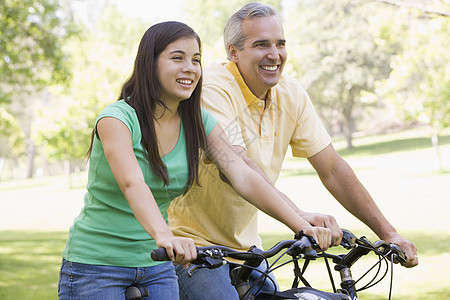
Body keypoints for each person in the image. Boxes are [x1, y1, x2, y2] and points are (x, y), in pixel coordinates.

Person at [58, 21, 332, 300]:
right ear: (149, 64)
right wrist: (164, 235)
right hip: (96, 266)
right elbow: (132, 183)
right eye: (177, 58)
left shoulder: (199, 123)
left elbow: (243, 175)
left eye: (196, 60)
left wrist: (299, 223)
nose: (190, 67)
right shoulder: (117, 119)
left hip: (157, 265)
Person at [168, 3, 419, 299]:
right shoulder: (212, 87)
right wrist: (300, 219)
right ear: (233, 52)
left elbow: (333, 168)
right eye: (261, 45)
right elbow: (238, 167)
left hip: (247, 251)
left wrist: (388, 233)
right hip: (190, 247)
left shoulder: (291, 93)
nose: (274, 54)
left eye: (280, 44)